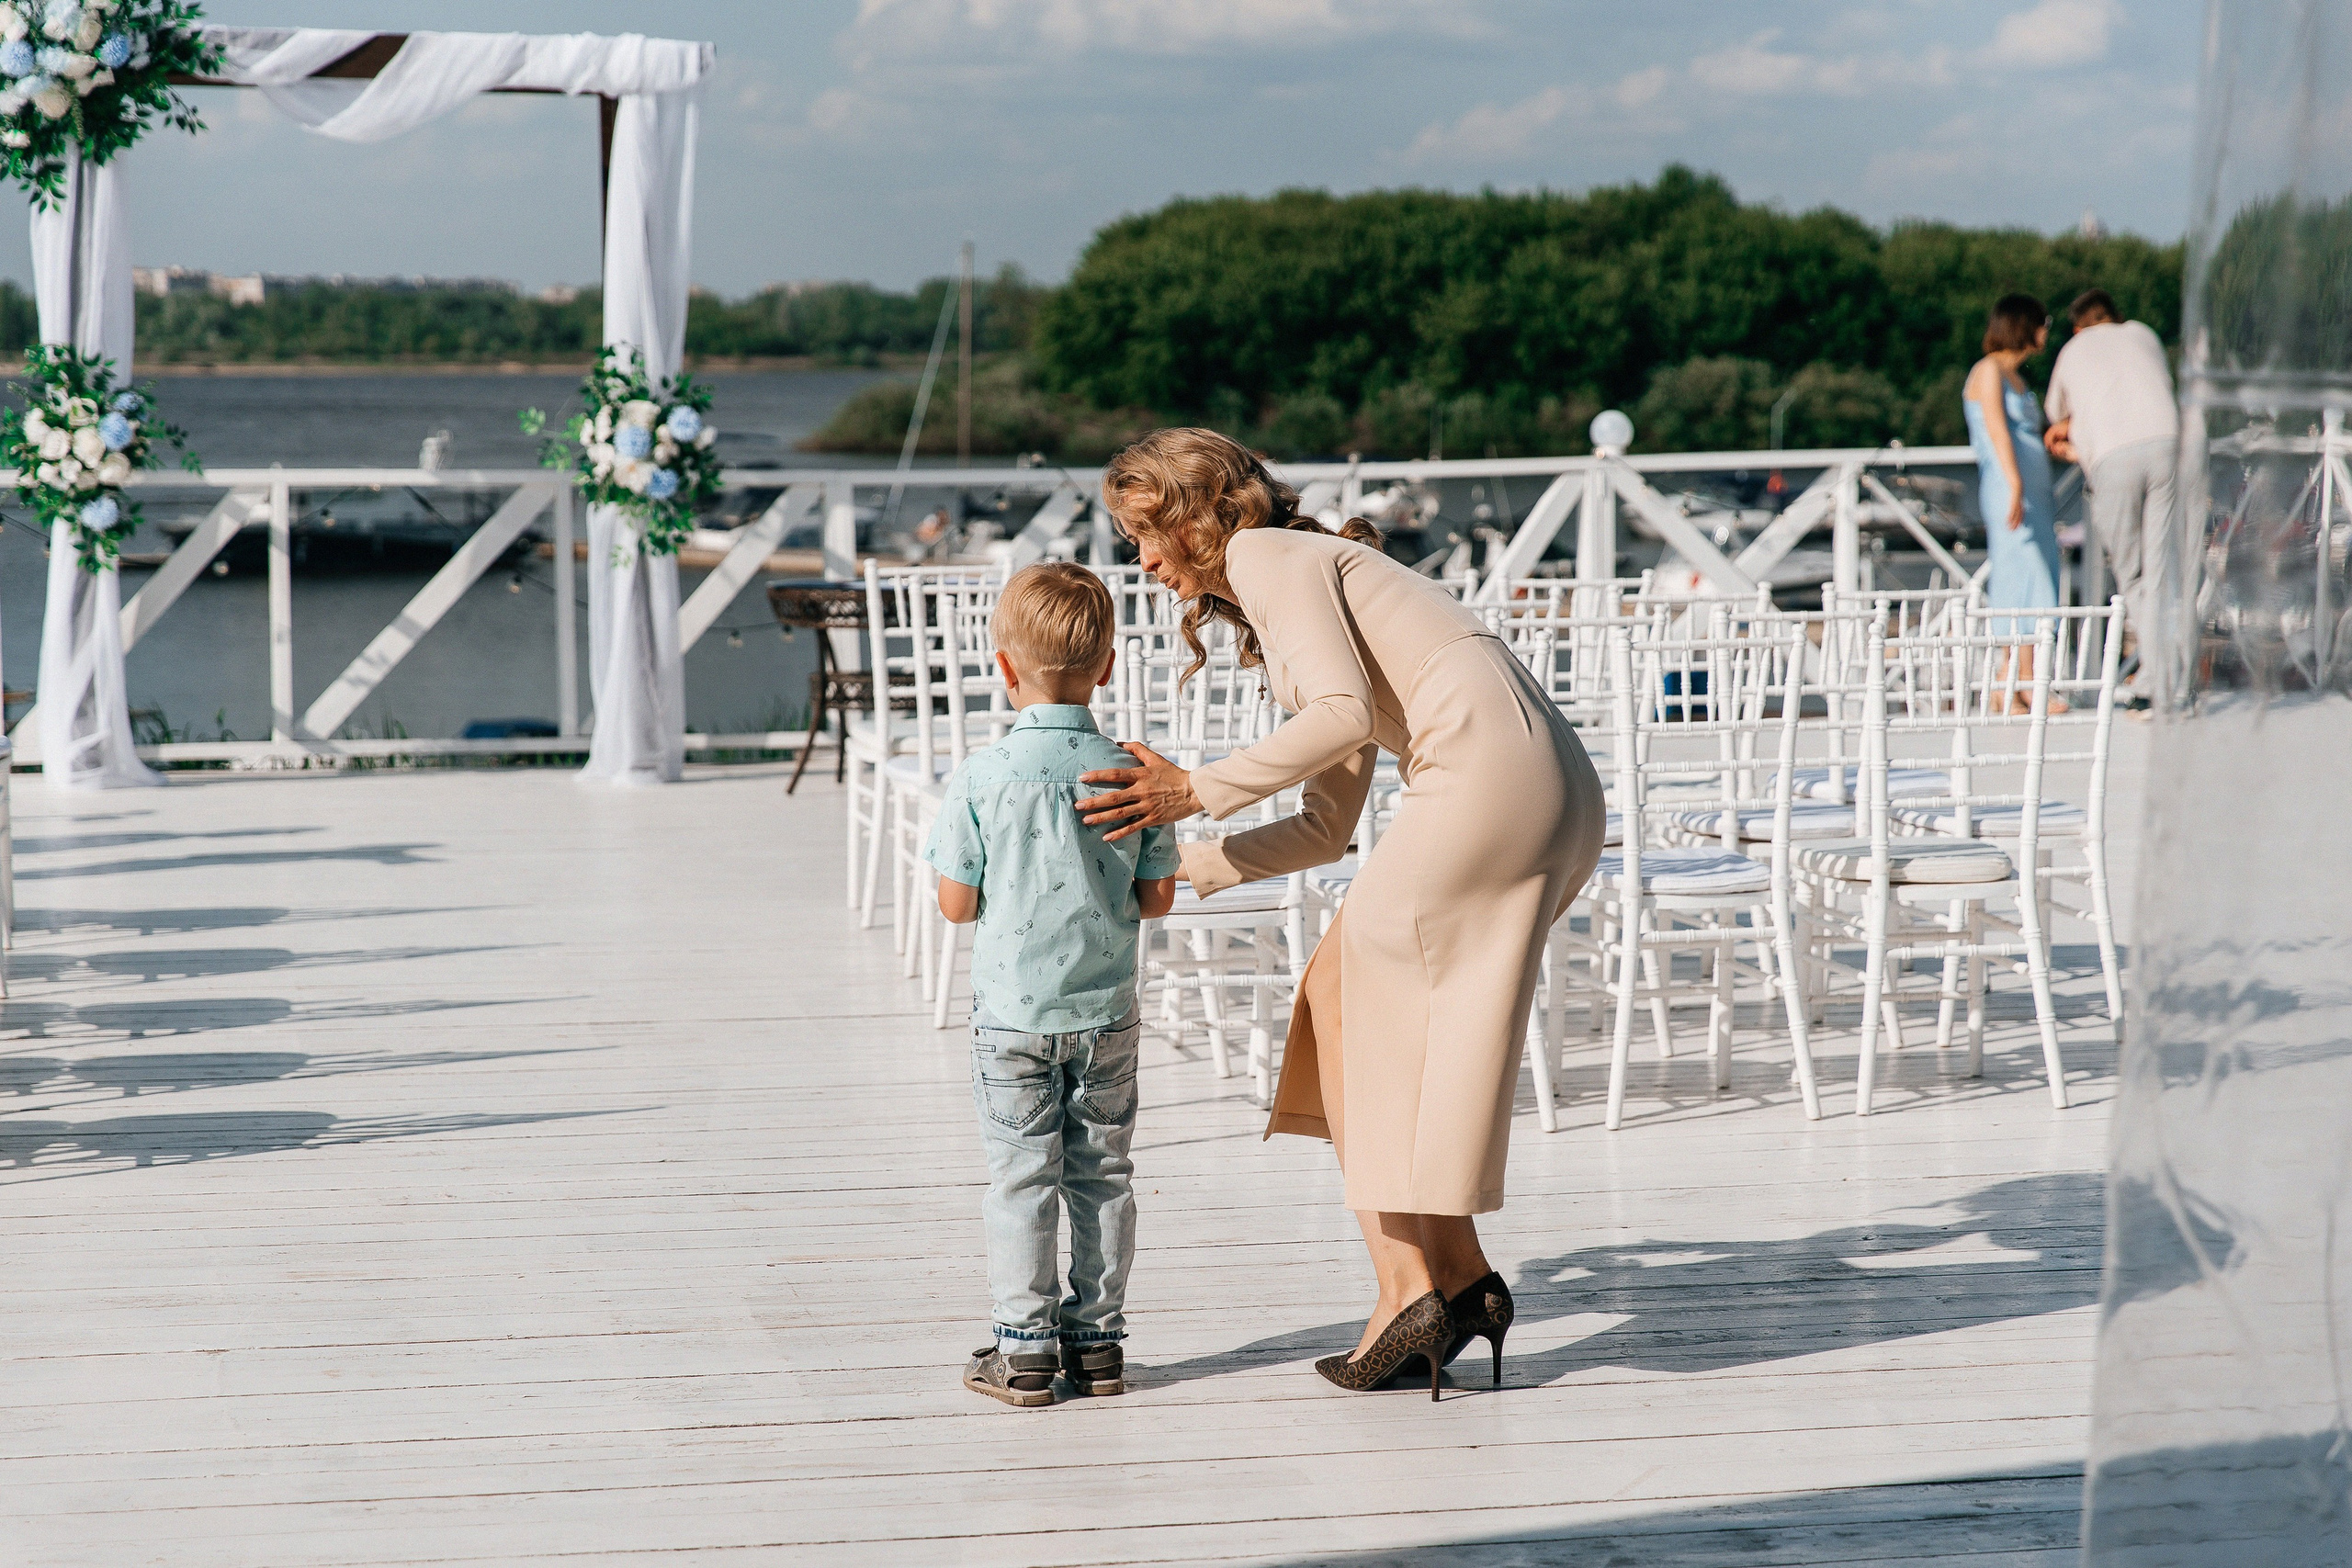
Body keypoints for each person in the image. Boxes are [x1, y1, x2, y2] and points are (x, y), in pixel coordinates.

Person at [1073, 429, 1605, 1398]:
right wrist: (1182, 867)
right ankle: (1459, 1273)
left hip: (1487, 777)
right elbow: (1327, 827)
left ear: (1202, 516)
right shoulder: (1309, 570)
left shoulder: (1264, 553)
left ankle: (1412, 1289)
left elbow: (1342, 716)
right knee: (1340, 995)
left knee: (1353, 1004)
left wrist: (1193, 789)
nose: (1142, 560)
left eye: (1147, 532)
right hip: (1550, 784)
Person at [926, 562, 1182, 1408]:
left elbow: (956, 906)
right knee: (1103, 1172)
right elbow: (1156, 896)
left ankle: (1025, 1346)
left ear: (1004, 667)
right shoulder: (1129, 772)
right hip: (1106, 1010)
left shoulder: (982, 774)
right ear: (1108, 665)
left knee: (1021, 1175)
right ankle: (1098, 1344)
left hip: (1012, 1017)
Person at [2044, 287, 2177, 662]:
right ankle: (2178, 674)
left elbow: (2057, 414)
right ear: (2115, 316)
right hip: (2169, 446)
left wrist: (2072, 431)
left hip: (2114, 460)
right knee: (2159, 569)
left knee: (2132, 574)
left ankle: (2158, 679)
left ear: (2077, 328)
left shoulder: (2073, 350)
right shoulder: (2143, 333)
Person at [1965, 293, 2064, 709]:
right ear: (2024, 326)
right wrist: (2015, 484)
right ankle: (2022, 678)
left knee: (2038, 573)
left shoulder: (2018, 379)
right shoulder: (1988, 371)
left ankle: (2014, 678)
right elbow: (1996, 430)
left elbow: (2029, 434)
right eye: (2042, 324)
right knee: (2024, 574)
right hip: (2010, 487)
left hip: (2033, 490)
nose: (2046, 332)